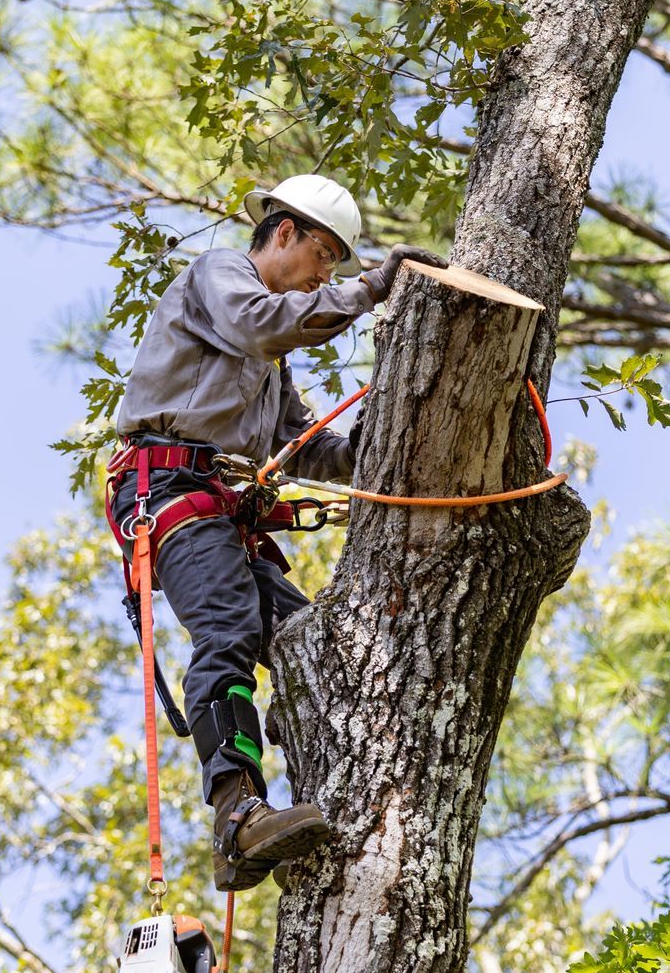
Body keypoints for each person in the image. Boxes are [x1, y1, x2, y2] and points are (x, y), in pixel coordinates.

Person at [105, 174, 444, 891]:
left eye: (337, 268)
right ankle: (237, 814)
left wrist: (388, 432)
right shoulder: (221, 277)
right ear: (283, 232)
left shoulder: (270, 363)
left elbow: (299, 445)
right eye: (324, 257)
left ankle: (288, 797)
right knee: (227, 632)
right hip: (170, 492)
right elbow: (262, 323)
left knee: (311, 639)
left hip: (219, 508)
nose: (326, 276)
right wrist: (374, 288)